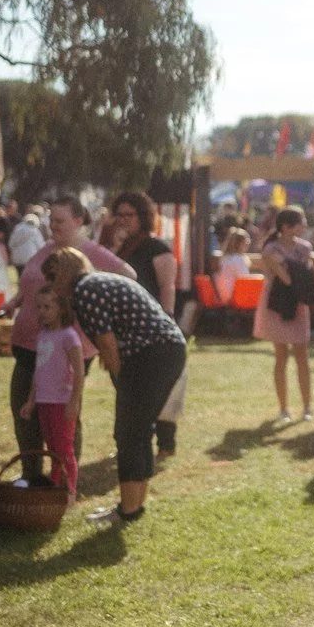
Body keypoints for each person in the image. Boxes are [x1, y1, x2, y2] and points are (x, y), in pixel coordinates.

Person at [6, 198, 133, 483]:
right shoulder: (49, 248)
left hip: (66, 349)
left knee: (60, 413)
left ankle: (64, 478)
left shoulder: (89, 252)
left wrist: (96, 313)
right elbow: (31, 283)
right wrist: (15, 301)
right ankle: (31, 475)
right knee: (24, 409)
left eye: (59, 221)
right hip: (30, 344)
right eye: (51, 221)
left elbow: (127, 276)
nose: (53, 226)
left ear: (78, 221)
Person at [70, 268, 189, 528]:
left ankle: (129, 509)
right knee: (137, 430)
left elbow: (108, 345)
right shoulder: (97, 283)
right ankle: (133, 506)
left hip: (152, 355)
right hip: (167, 349)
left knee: (130, 432)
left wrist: (123, 385)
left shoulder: (86, 291)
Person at [111, 190, 183, 458]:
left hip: (153, 326)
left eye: (129, 215)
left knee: (159, 388)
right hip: (122, 327)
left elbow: (167, 286)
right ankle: (130, 437)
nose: (123, 220)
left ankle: (165, 442)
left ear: (143, 216)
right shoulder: (115, 247)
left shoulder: (157, 247)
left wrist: (167, 318)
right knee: (126, 386)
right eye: (119, 215)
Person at [19, 284, 87, 499]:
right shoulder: (43, 335)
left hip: (61, 401)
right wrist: (31, 401)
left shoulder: (69, 336)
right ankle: (54, 489)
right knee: (52, 449)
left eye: (47, 307)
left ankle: (69, 492)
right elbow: (38, 372)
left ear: (61, 308)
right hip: (43, 401)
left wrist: (73, 402)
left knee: (64, 449)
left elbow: (79, 372)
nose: (42, 311)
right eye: (38, 307)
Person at [257, 206, 314, 425]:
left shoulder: (305, 248)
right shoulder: (271, 248)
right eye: (301, 222)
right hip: (278, 304)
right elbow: (288, 279)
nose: (305, 226)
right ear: (287, 227)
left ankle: (307, 406)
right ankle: (283, 408)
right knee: (281, 355)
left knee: (302, 355)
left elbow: (302, 274)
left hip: (298, 302)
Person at [214, 229, 254, 303]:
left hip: (221, 296)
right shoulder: (239, 259)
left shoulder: (224, 258)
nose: (247, 246)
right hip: (233, 298)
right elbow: (245, 280)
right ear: (240, 244)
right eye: (246, 243)